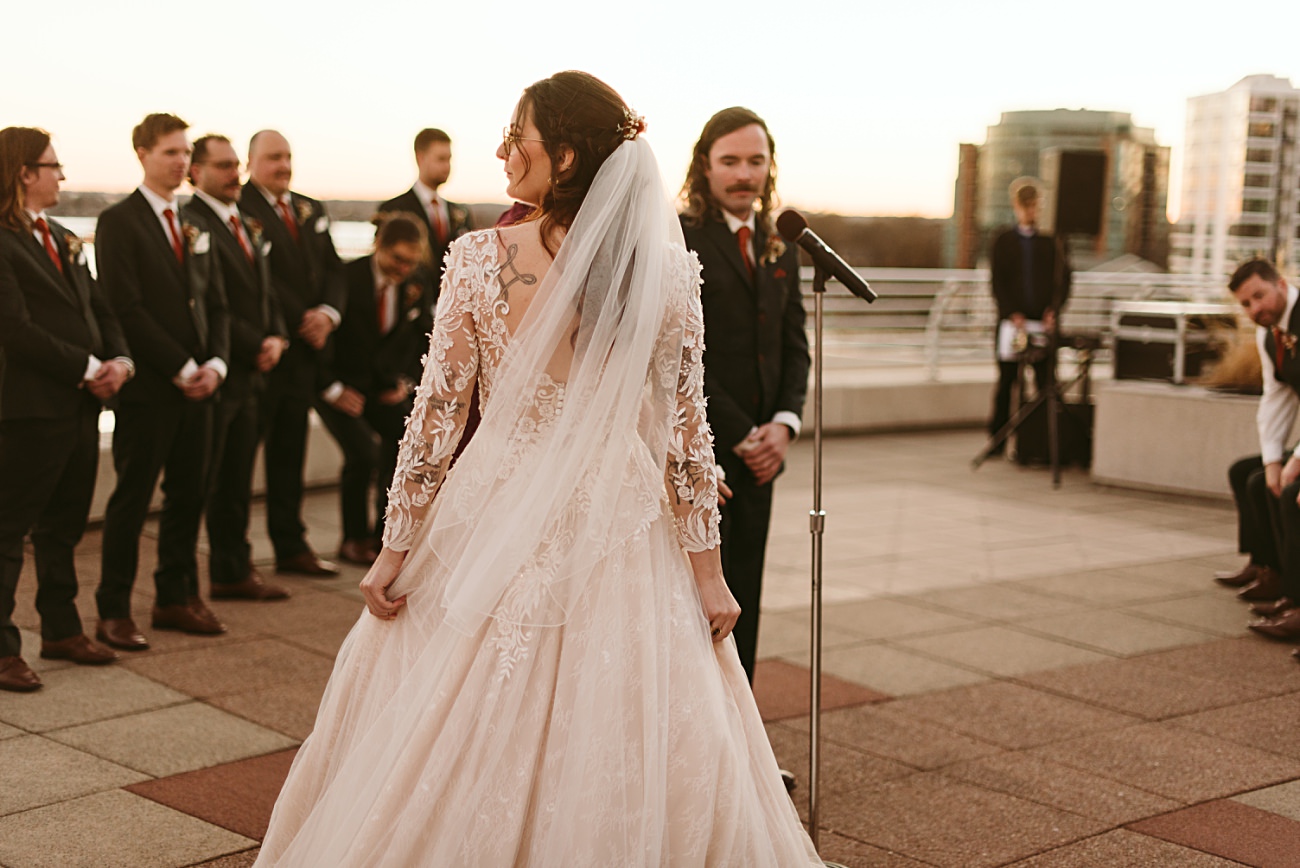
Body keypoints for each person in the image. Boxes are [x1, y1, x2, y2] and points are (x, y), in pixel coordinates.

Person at [255, 71, 822, 866]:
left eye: (513, 136)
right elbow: (683, 439)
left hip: (497, 502)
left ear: (562, 157)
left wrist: (397, 549)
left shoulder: (479, 260)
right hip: (625, 517)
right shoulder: (670, 271)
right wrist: (707, 572)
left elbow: (435, 423)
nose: (498, 150)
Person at [678, 107, 810, 683]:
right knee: (694, 604)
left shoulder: (782, 243)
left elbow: (794, 346)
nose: (743, 174)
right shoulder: (681, 238)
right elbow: (678, 355)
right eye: (729, 161)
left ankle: (744, 744)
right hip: (701, 452)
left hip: (764, 459)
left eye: (755, 161)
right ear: (705, 167)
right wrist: (741, 432)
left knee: (747, 597)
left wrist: (783, 424)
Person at [0, 127, 131, 690]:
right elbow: (14, 328)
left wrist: (120, 361)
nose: (61, 177)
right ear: (24, 172)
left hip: (80, 408)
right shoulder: (3, 241)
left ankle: (60, 627)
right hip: (27, 409)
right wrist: (85, 367)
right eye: (53, 167)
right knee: (8, 532)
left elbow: (97, 306)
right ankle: (3, 650)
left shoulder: (61, 235)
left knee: (65, 525)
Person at [95, 113, 231, 650]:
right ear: (143, 154)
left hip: (202, 385)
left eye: (183, 153)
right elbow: (123, 308)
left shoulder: (195, 223)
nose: (180, 162)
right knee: (132, 498)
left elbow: (218, 302)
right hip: (151, 388)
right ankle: (113, 610)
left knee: (190, 495)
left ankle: (175, 597)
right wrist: (180, 367)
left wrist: (217, 364)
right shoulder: (118, 221)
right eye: (170, 152)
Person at [182, 134, 291, 602]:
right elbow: (213, 300)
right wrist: (253, 344)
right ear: (196, 172)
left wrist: (279, 337)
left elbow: (266, 292)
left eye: (235, 166)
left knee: (239, 478)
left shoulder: (246, 221)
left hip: (255, 372)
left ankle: (233, 569)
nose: (234, 175)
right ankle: (190, 582)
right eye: (223, 166)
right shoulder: (191, 222)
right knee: (205, 482)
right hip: (224, 367)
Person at [239, 130, 346, 576]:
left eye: (287, 156)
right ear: (251, 162)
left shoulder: (310, 208)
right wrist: (298, 318)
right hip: (264, 351)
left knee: (290, 452)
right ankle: (234, 556)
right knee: (240, 459)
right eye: (272, 157)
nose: (282, 165)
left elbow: (334, 267)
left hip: (305, 354)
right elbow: (256, 278)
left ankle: (290, 545)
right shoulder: (240, 208)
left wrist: (328, 313)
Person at [315, 212, 433, 565]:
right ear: (379, 245)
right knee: (362, 453)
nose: (403, 269)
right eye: (397, 259)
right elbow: (322, 342)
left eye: (411, 262)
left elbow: (423, 339)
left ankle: (383, 537)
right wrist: (333, 389)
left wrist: (405, 383)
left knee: (402, 446)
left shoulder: (417, 283)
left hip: (384, 388)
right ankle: (351, 539)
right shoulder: (346, 278)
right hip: (339, 386)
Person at [1215, 260, 1300, 641]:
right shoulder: (1272, 336)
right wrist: (1272, 461)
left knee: (1292, 494)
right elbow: (1276, 398)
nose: (1255, 310)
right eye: (1246, 304)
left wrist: (1295, 461)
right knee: (1251, 477)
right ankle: (1270, 570)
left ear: (1281, 284)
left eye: (1259, 296)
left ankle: (1295, 601)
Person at [987, 178, 1071, 446]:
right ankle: (997, 438)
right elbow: (997, 281)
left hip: (1042, 323)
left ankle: (1044, 440)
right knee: (1007, 382)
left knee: (1047, 384)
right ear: (1016, 207)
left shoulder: (1053, 241)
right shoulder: (1003, 241)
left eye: (1035, 206)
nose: (1031, 212)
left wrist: (1053, 311)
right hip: (1013, 323)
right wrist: (1012, 313)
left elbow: (1065, 280)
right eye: (1027, 207)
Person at [378, 128, 473, 281]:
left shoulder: (460, 212)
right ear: (420, 158)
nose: (447, 166)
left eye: (449, 159)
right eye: (441, 159)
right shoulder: (394, 209)